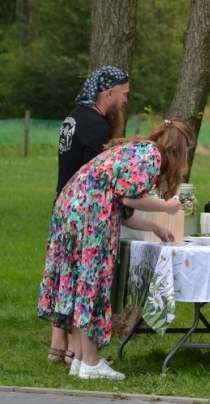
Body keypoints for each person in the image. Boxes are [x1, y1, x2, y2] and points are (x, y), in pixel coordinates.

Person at [38, 119, 195, 380]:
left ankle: (79, 359)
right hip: (90, 218)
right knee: (92, 285)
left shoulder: (138, 150)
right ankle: (90, 362)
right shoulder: (152, 156)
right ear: (180, 149)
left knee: (80, 284)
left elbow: (120, 208)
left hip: (73, 212)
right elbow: (130, 197)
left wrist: (154, 228)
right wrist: (167, 206)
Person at [47, 66, 130, 365]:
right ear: (109, 93)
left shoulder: (73, 117)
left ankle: (59, 343)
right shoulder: (97, 126)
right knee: (82, 279)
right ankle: (77, 353)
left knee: (65, 276)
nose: (124, 101)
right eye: (123, 95)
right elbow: (99, 179)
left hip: (62, 206)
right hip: (83, 214)